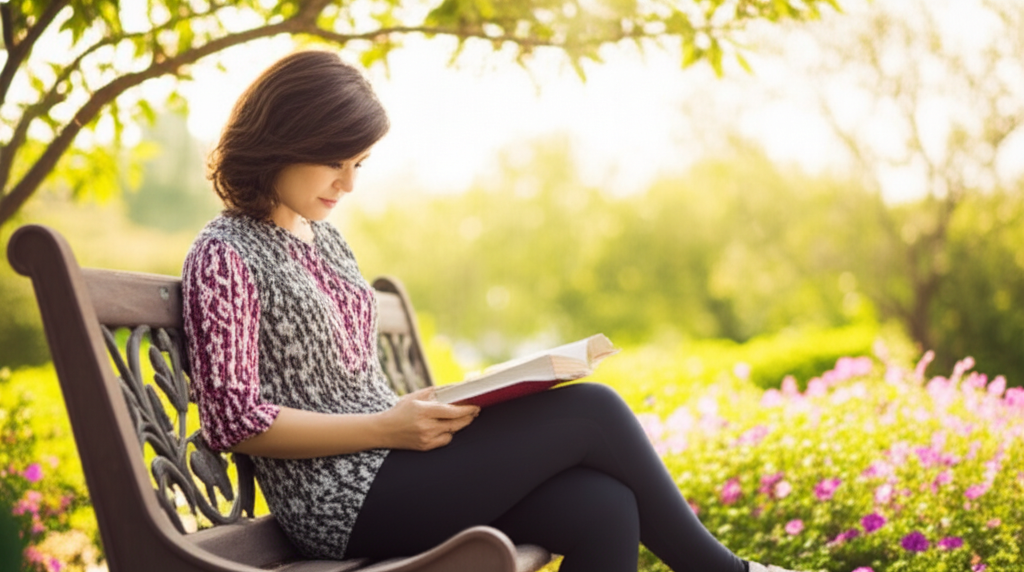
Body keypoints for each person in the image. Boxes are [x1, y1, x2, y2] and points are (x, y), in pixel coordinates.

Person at [182, 49, 809, 572]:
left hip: (391, 466)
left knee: (604, 507)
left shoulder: (325, 238)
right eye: (334, 162)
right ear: (283, 141)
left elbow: (347, 386)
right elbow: (235, 420)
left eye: (359, 164)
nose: (348, 184)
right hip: (338, 504)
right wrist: (385, 428)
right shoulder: (224, 253)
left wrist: (426, 410)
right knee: (593, 409)